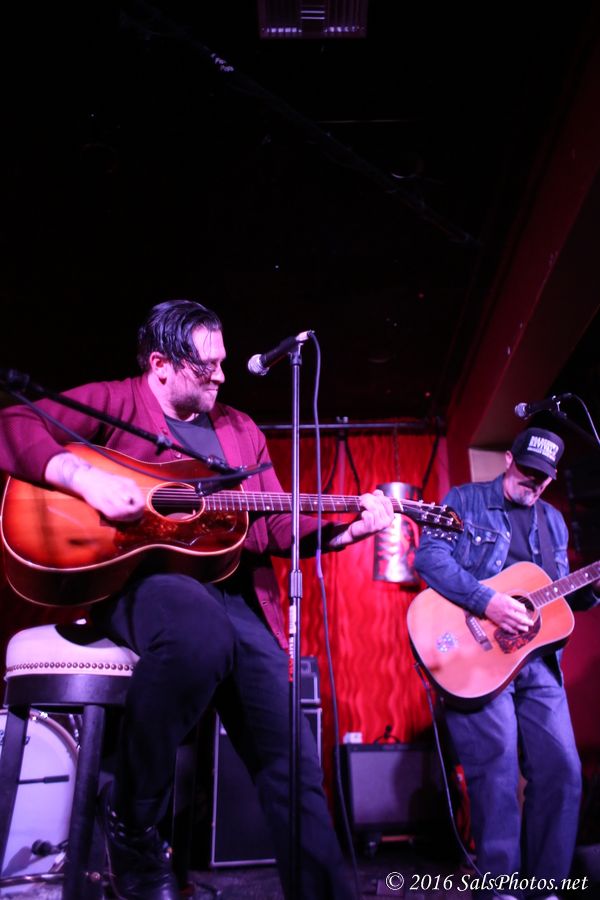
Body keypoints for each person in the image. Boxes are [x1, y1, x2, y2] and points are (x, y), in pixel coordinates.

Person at [0, 299, 395, 900]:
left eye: (223, 362)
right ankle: (133, 817)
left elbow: (273, 526)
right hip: (141, 582)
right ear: (160, 365)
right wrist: (85, 478)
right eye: (207, 366)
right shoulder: (116, 400)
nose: (222, 376)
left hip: (235, 596)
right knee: (198, 631)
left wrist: (347, 530)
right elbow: (12, 422)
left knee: (292, 762)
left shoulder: (240, 430)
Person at [414, 427, 600, 900]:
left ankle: (545, 888)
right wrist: (488, 602)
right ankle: (500, 889)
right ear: (508, 460)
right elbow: (429, 558)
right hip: (480, 654)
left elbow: (557, 597)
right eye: (527, 471)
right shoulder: (465, 500)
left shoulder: (553, 521)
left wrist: (592, 588)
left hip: (538, 660)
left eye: (543, 478)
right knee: (496, 769)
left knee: (563, 769)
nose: (533, 483)